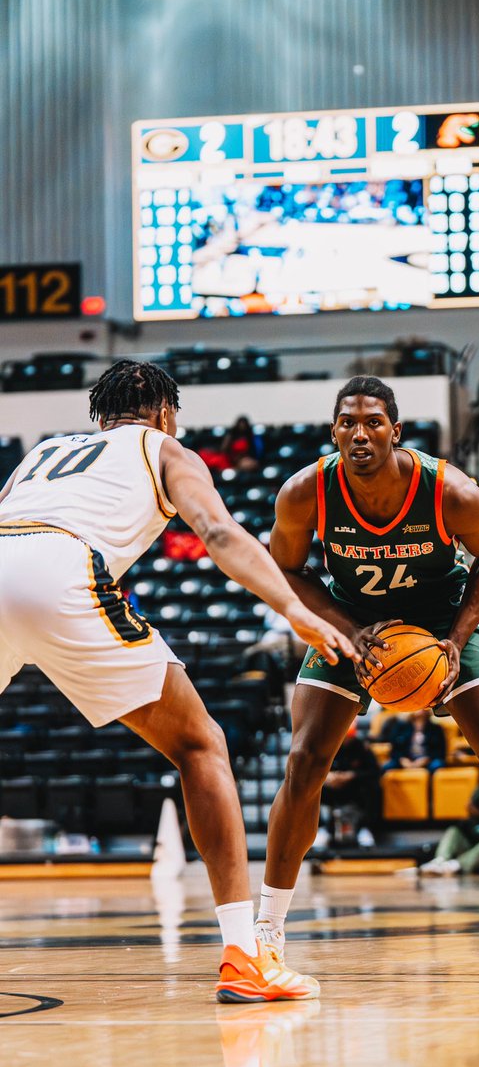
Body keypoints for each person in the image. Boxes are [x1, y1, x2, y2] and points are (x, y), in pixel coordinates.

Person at [0, 360, 357, 1003]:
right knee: (200, 746)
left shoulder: (45, 451)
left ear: (99, 415)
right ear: (165, 411)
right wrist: (296, 609)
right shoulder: (162, 446)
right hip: (59, 567)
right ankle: (245, 958)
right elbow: (218, 531)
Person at [255, 375, 479, 972]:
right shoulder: (305, 493)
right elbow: (285, 570)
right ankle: (266, 931)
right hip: (356, 621)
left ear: (395, 432)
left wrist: (455, 639)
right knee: (304, 760)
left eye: (374, 421)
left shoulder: (447, 489)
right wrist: (345, 627)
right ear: (334, 432)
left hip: (443, 616)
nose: (360, 433)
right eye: (348, 422)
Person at [420, 788, 479, 875]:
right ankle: (440, 861)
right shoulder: (471, 820)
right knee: (454, 831)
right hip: (473, 856)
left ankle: (454, 866)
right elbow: (458, 833)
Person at [319, 722, 382, 847]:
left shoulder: (362, 748)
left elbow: (374, 771)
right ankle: (322, 829)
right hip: (332, 786)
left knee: (373, 788)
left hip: (355, 787)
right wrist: (327, 777)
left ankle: (365, 828)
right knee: (313, 791)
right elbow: (315, 769)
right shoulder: (327, 746)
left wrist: (352, 775)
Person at [381, 709, 447, 773]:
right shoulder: (401, 727)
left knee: (437, 764)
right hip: (405, 760)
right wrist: (402, 760)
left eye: (422, 707)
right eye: (417, 707)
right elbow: (394, 749)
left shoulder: (436, 728)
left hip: (428, 760)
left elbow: (440, 751)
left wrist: (426, 760)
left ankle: (430, 784)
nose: (419, 709)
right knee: (387, 767)